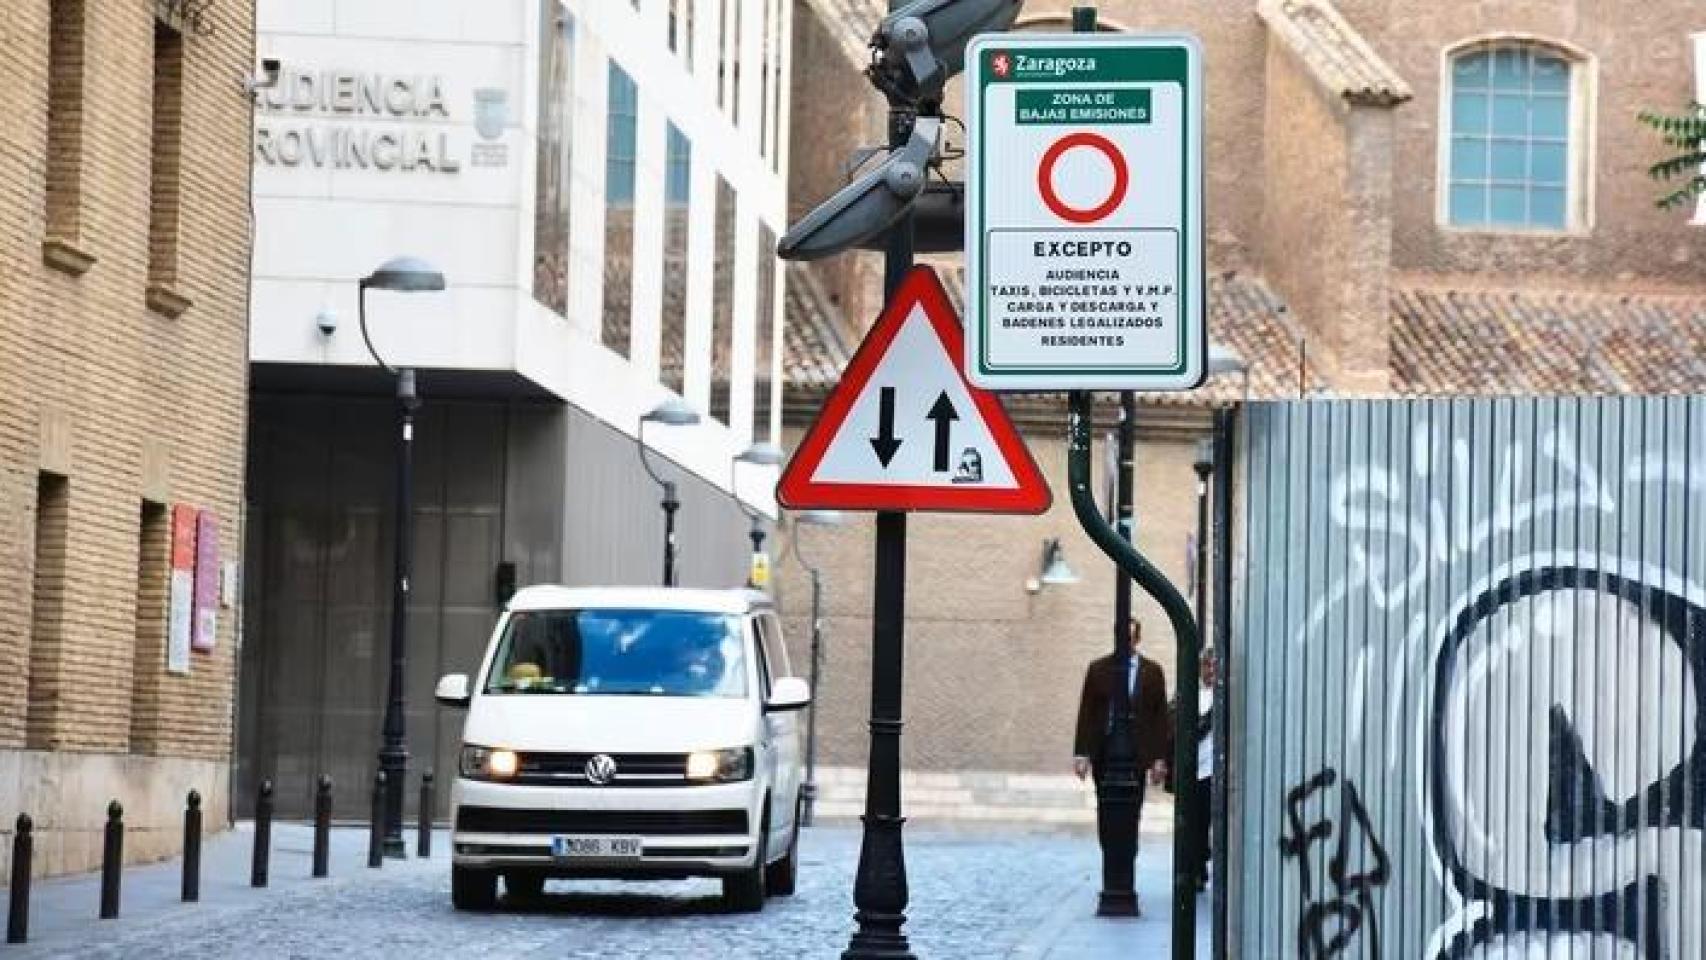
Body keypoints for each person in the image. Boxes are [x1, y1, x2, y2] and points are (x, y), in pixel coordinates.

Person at [1072, 618, 1173, 820]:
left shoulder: (1152, 672)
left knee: (1134, 806)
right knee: (1105, 804)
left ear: (1138, 639)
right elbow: (1087, 712)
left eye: (1131, 638)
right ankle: (1109, 845)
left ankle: (1129, 845)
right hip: (1105, 749)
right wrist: (1081, 753)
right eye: (1122, 638)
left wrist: (1159, 758)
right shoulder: (1098, 669)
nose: (1126, 642)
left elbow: (1159, 716)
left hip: (1138, 751)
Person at [1189, 648, 1217, 894]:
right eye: (1206, 666)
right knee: (1197, 823)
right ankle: (1198, 868)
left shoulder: (1225, 697)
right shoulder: (1190, 695)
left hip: (1216, 771)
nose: (1209, 671)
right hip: (1196, 770)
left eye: (1213, 665)